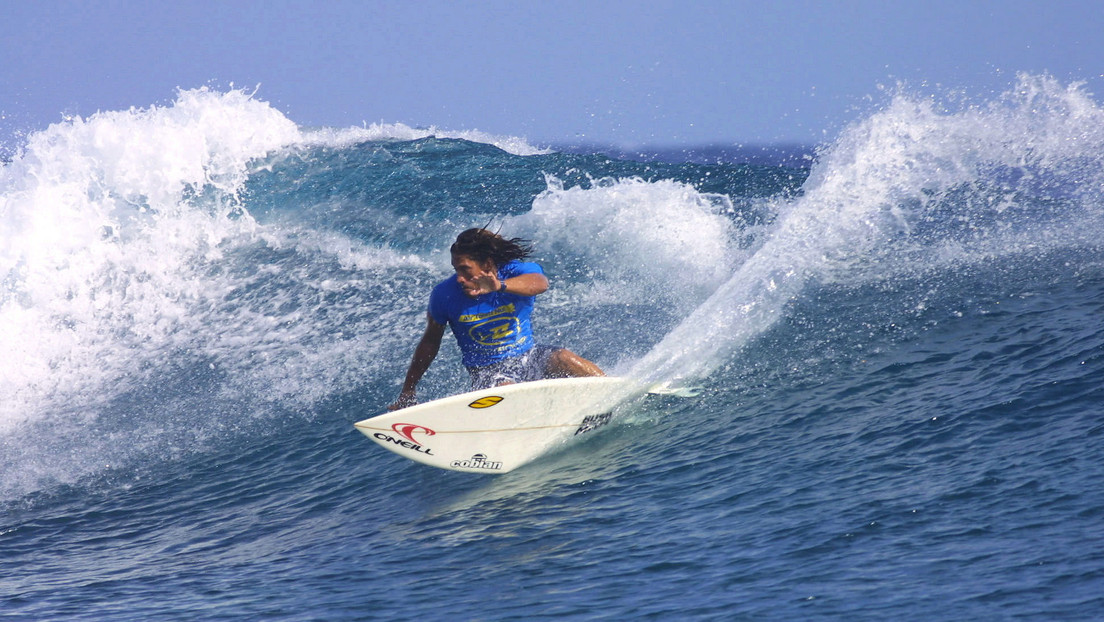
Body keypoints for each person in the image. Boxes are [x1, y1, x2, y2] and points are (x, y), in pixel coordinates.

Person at [389, 228, 604, 410]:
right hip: (487, 371)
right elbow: (430, 343)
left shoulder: (515, 273)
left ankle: (608, 396)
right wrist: (409, 390)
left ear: (487, 264)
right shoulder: (444, 295)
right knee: (506, 390)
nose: (460, 278)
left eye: (465, 270)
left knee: (564, 358)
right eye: (456, 270)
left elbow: (540, 283)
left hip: (530, 356)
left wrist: (499, 286)